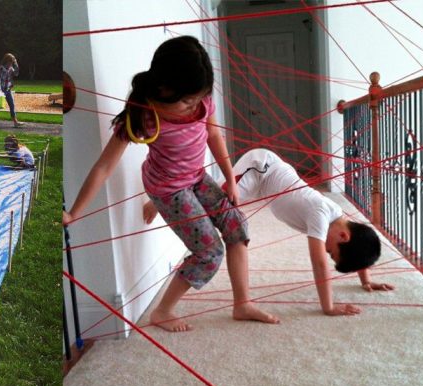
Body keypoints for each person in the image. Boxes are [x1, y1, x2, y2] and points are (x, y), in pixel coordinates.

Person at [62, 36, 278, 332]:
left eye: (198, 98)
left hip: (196, 177)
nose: (193, 107)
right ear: (163, 88)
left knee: (237, 226)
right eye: (187, 101)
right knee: (209, 251)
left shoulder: (203, 103)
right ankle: (162, 311)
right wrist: (74, 212)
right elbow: (104, 166)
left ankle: (242, 304)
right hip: (168, 188)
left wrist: (229, 178)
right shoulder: (143, 117)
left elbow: (214, 137)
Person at [143, 148, 394, 316]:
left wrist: (366, 278)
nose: (326, 253)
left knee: (223, 207)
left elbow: (361, 243)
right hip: (262, 168)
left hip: (267, 183)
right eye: (332, 252)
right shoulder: (321, 214)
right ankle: (163, 196)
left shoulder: (338, 223)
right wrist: (328, 307)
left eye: (330, 255)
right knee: (220, 202)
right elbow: (318, 262)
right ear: (342, 237)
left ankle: (172, 192)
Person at [0, 53, 24, 128]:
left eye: (13, 62)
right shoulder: (1, 68)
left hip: (8, 89)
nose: (11, 63)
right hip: (2, 90)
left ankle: (15, 122)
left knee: (12, 105)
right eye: (11, 61)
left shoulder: (11, 68)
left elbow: (16, 74)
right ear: (7, 61)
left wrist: (16, 64)